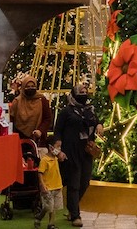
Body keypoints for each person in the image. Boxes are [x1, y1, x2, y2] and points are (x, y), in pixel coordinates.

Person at [54, 83, 100, 227]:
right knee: (74, 183)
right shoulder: (66, 112)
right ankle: (75, 215)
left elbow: (96, 122)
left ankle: (71, 207)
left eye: (85, 91)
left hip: (86, 151)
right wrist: (58, 146)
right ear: (73, 94)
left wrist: (99, 125)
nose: (83, 93)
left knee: (84, 182)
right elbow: (58, 130)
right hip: (71, 151)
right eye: (80, 92)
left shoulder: (90, 110)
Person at [9, 74, 54, 146]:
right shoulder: (17, 101)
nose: (30, 88)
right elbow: (11, 119)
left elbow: (47, 118)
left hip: (37, 139)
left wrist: (40, 130)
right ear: (23, 87)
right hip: (19, 139)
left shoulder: (42, 100)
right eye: (28, 86)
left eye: (33, 86)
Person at [34, 139, 65, 229]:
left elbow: (61, 159)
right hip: (48, 188)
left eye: (60, 147)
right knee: (48, 208)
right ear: (51, 147)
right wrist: (42, 185)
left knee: (53, 208)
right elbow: (40, 173)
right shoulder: (44, 160)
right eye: (57, 147)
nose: (59, 149)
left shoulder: (55, 158)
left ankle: (51, 224)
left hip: (57, 186)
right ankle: (39, 217)